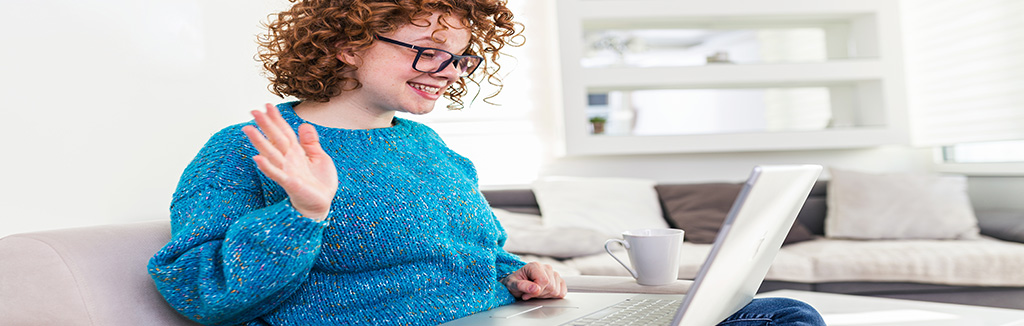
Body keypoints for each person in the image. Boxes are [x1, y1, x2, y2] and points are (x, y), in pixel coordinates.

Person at [148, 0, 826, 325]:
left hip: (501, 319)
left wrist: (522, 274)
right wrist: (304, 214)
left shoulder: (428, 149)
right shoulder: (245, 148)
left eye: (460, 58)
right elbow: (204, 295)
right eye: (427, 50)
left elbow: (468, 255)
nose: (448, 72)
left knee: (782, 315)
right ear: (347, 45)